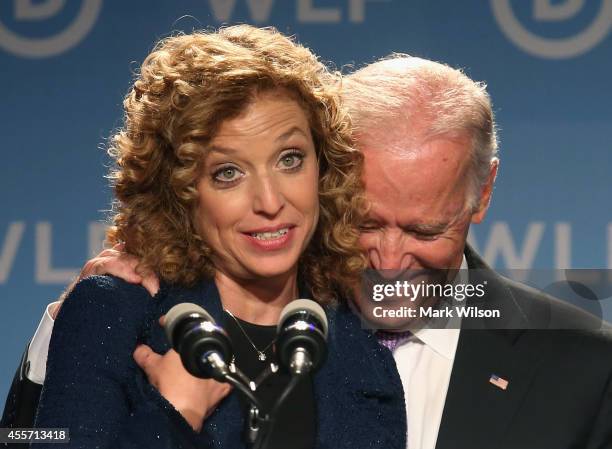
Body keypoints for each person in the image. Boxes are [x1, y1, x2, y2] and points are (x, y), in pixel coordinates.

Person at [4, 54, 612, 449]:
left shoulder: (581, 364)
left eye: (426, 230)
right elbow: (38, 438)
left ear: (484, 193)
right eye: (369, 222)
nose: (391, 257)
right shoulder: (142, 305)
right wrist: (71, 337)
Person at [1, 26, 407, 449]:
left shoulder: (361, 352)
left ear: (322, 169)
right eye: (227, 173)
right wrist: (173, 413)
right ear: (179, 191)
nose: (270, 201)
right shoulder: (117, 313)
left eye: (290, 160)